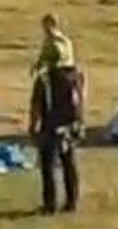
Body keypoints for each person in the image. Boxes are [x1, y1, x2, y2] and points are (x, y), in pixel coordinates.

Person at [28, 53, 83, 215]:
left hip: (50, 127)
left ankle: (50, 205)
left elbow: (36, 106)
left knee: (48, 167)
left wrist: (33, 127)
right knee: (69, 165)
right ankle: (72, 202)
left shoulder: (44, 81)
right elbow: (79, 102)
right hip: (70, 127)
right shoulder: (75, 77)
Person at [30, 13, 75, 77]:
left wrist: (37, 66)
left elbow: (50, 55)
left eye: (45, 25)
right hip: (71, 71)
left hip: (57, 72)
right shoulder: (66, 40)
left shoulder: (51, 40)